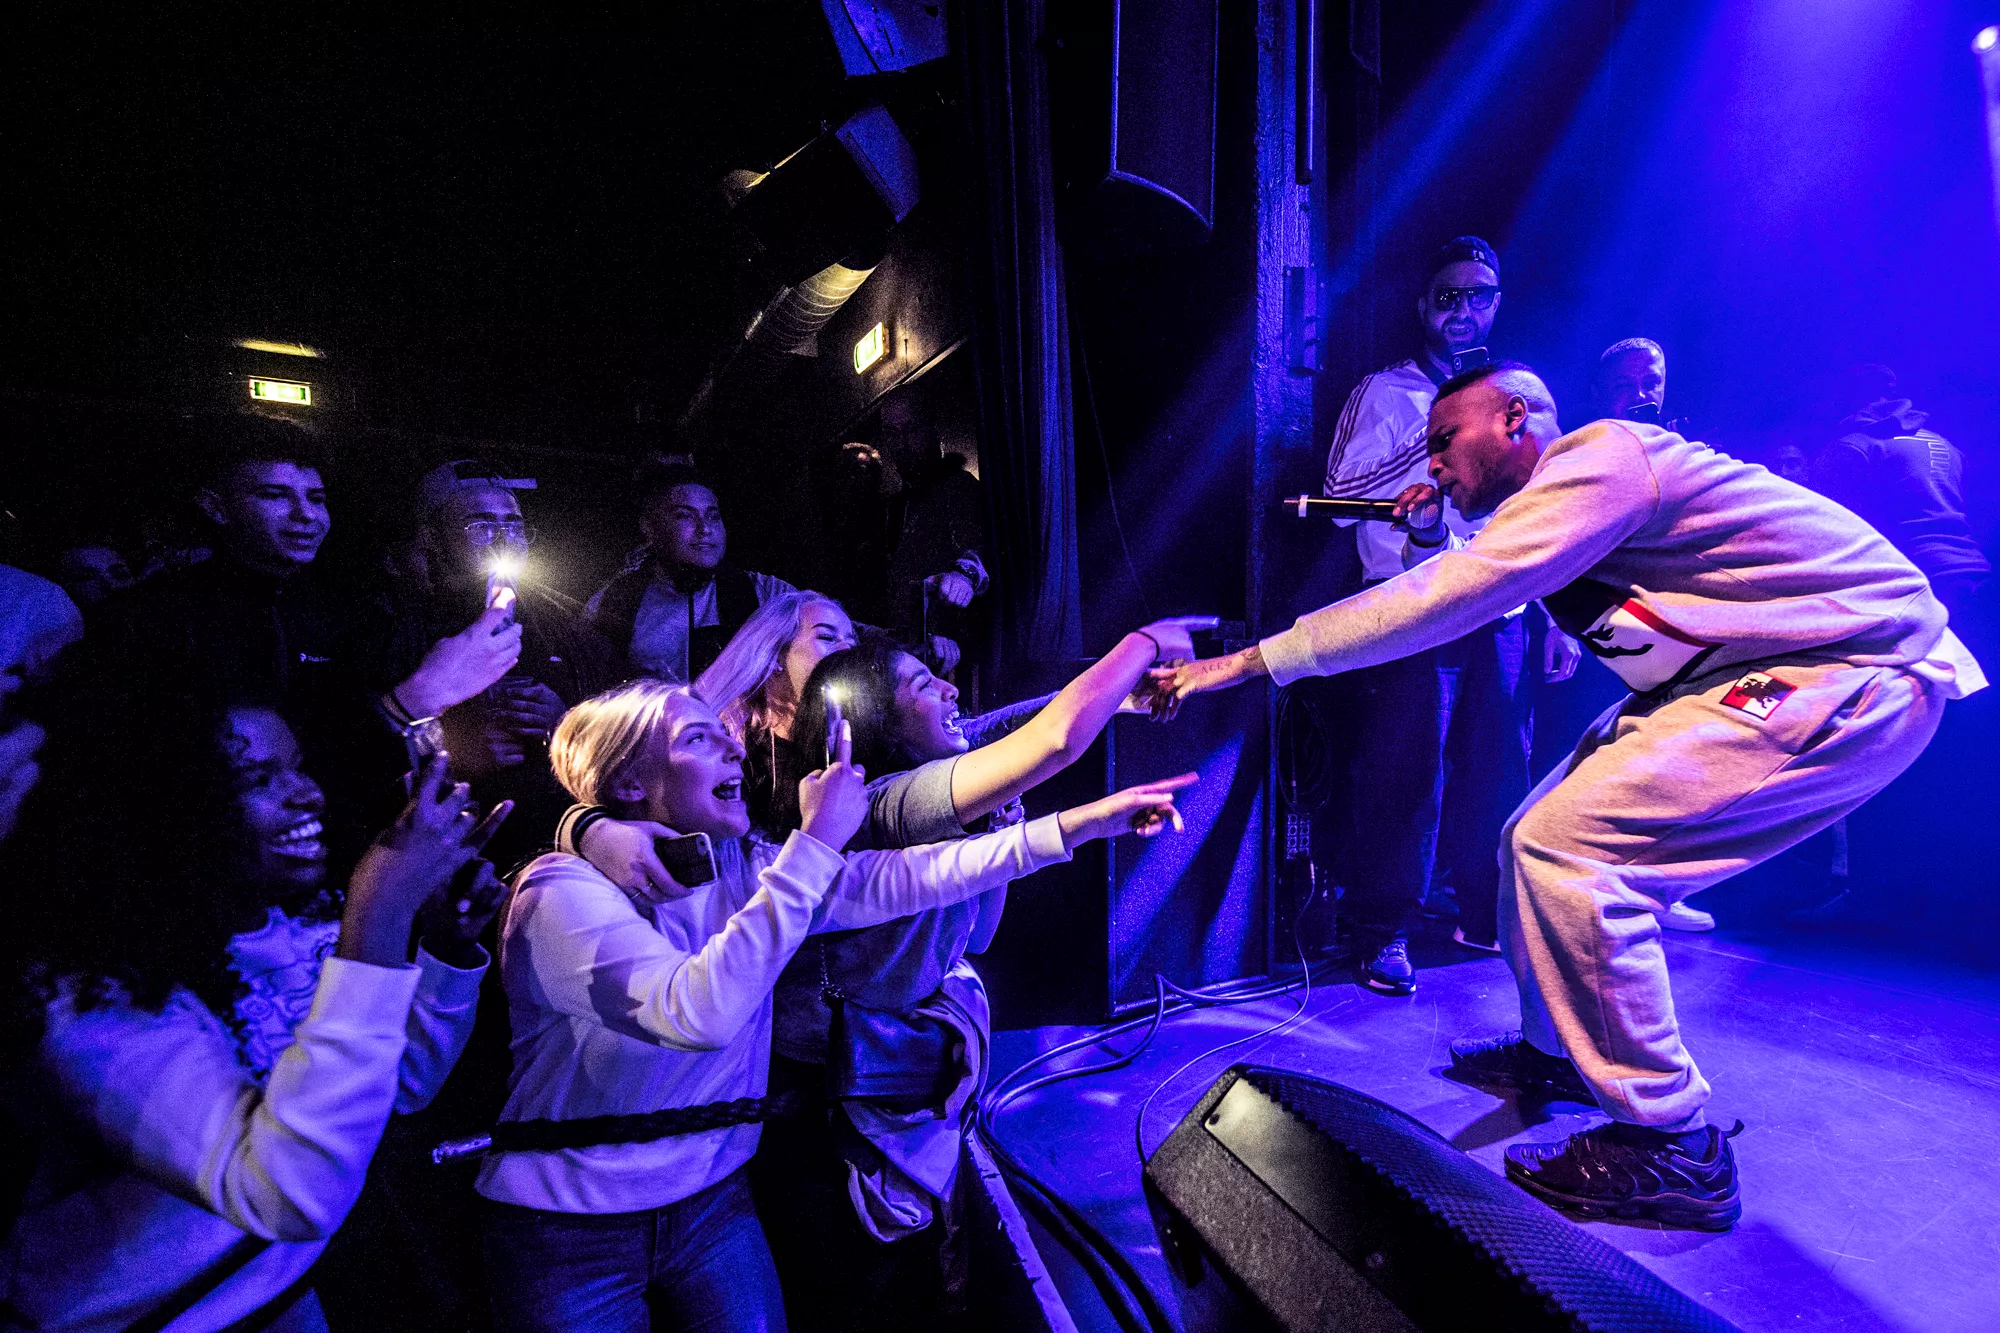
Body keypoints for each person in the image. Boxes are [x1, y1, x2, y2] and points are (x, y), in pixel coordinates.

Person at [1172, 361, 1986, 1229]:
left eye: (1445, 440)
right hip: (1732, 676)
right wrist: (1431, 534)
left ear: (1513, 417)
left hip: (1848, 663)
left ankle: (1674, 1141)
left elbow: (1446, 597)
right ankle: (1559, 1050)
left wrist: (1252, 661)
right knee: (1528, 836)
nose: (1433, 462)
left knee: (1574, 853)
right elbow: (1462, 578)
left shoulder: (1602, 457)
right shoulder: (1551, 509)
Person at [475, 680, 1188, 1333]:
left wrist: (1079, 825)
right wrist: (815, 841)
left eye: (724, 734)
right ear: (629, 782)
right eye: (697, 738)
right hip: (567, 1230)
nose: (733, 748)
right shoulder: (560, 891)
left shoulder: (741, 868)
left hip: (711, 1203)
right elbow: (697, 1012)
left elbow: (909, 877)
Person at [0, 689, 511, 1332]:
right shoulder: (92, 991)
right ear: (165, 809)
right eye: (257, 779)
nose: (307, 794)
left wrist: (442, 947)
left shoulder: (296, 923)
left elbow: (398, 1088)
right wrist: (379, 914)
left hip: (280, 1297)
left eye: (297, 766)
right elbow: (289, 1193)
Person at [1314, 236, 1578, 986]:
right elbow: (1337, 496)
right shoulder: (1384, 391)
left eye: (1478, 297)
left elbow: (1541, 511)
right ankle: (1382, 930)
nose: (1462, 311)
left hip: (1502, 607)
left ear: (1497, 305)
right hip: (1416, 604)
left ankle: (1483, 916)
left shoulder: (1514, 398)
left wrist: (1555, 615)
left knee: (1501, 770)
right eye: (1447, 296)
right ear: (1422, 305)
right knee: (1406, 772)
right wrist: (1443, 434)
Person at [353, 459, 618, 872]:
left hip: (563, 845)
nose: (502, 540)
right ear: (433, 537)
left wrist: (565, 722)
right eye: (481, 526)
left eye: (513, 525)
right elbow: (358, 749)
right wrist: (456, 747)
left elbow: (620, 727)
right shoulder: (393, 629)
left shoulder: (562, 625)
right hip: (451, 861)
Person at [586, 462, 795, 683]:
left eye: (713, 516)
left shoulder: (769, 594)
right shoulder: (612, 604)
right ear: (650, 527)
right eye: (684, 516)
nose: (704, 529)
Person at [1812, 364, 1991, 618]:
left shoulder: (1852, 446)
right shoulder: (1946, 445)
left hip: (1911, 582)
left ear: (1843, 397)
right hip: (1977, 570)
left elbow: (1828, 529)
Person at [693, 590, 859, 834]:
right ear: (776, 655)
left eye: (852, 642)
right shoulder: (731, 744)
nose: (847, 650)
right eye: (827, 637)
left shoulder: (859, 736)